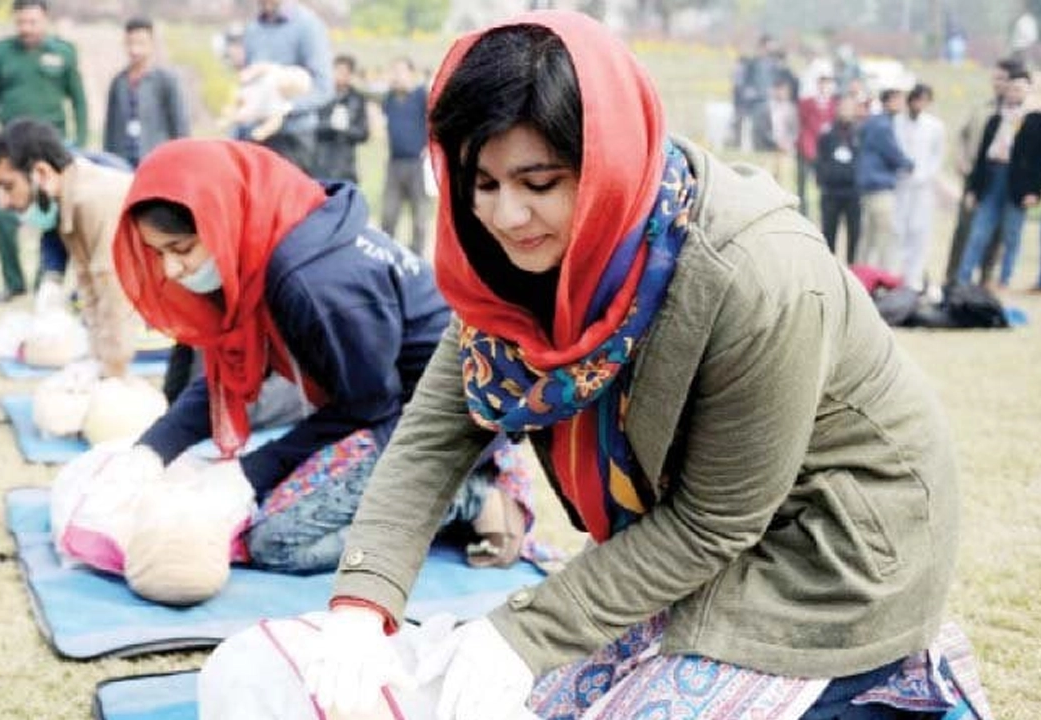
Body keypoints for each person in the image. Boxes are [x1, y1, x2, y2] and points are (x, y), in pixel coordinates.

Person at [300, 12, 986, 720]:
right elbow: (434, 436)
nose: (507, 215)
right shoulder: (498, 267)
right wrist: (363, 600)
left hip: (827, 558)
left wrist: (524, 633)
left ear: (606, 164)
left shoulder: (757, 276)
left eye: (540, 182)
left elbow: (715, 521)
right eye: (484, 182)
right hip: (683, 551)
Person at [106, 139, 534, 574]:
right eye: (158, 254)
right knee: (263, 497)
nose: (170, 270)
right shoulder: (269, 240)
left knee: (277, 540)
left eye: (180, 250)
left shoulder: (313, 283)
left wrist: (252, 470)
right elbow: (228, 373)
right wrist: (151, 451)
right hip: (385, 404)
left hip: (443, 417)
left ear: (225, 220)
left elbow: (368, 404)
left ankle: (473, 497)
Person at [0, 119, 140, 379]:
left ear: (42, 173)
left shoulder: (92, 199)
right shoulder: (66, 201)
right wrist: (96, 358)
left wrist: (113, 371)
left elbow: (113, 293)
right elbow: (89, 286)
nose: (6, 201)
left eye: (8, 186)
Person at [0, 0, 88, 303]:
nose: (27, 28)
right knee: (1, 211)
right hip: (9, 153)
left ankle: (45, 284)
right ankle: (13, 283)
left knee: (52, 217)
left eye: (33, 22)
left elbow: (78, 98)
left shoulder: (63, 53)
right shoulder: (2, 52)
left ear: (45, 20)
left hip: (51, 151)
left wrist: (81, 138)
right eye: (21, 22)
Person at [956, 68, 1041, 290]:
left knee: (1012, 234)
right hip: (993, 178)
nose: (1014, 93)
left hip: (1018, 184)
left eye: (1019, 89)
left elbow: (1037, 160)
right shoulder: (995, 119)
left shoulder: (1034, 122)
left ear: (1028, 91)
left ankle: (1005, 279)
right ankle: (964, 277)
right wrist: (974, 189)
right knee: (979, 232)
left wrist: (1035, 191)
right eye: (1011, 89)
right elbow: (982, 156)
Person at [946, 59, 1019, 289]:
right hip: (975, 176)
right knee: (965, 228)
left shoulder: (1018, 112)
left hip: (1001, 177)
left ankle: (985, 279)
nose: (997, 83)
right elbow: (961, 136)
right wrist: (960, 159)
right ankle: (953, 277)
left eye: (1002, 79)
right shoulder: (981, 108)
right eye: (995, 78)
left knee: (996, 233)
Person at [240, 0, 332, 172]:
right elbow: (249, 80)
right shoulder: (253, 29)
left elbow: (323, 88)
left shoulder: (308, 25)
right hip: (254, 136)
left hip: (292, 139)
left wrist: (284, 108)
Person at [102, 17, 189, 170]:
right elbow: (110, 129)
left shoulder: (165, 80)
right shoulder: (118, 82)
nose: (135, 49)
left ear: (152, 44)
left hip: (157, 161)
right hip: (123, 162)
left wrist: (181, 161)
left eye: (141, 43)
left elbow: (179, 126)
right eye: (130, 43)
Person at [893, 83, 944, 292]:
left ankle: (914, 277)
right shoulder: (896, 122)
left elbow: (936, 156)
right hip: (900, 185)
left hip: (923, 187)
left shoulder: (935, 126)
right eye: (917, 100)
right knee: (898, 231)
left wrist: (925, 176)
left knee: (919, 231)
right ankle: (895, 277)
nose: (920, 104)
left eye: (925, 101)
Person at [855, 88, 913, 274]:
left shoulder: (873, 122)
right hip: (879, 186)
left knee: (868, 237)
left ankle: (861, 275)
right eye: (899, 100)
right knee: (883, 237)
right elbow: (893, 154)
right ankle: (881, 277)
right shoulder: (883, 126)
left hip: (868, 186)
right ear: (888, 102)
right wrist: (909, 164)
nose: (902, 104)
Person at [380, 57, 431, 255]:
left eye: (401, 71)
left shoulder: (421, 96)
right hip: (394, 163)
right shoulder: (389, 99)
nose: (397, 76)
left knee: (419, 215)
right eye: (394, 71)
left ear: (411, 74)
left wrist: (429, 146)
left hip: (416, 163)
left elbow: (435, 120)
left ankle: (417, 255)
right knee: (388, 214)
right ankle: (387, 253)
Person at [815, 95, 863, 263]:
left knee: (855, 234)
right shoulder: (827, 132)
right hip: (831, 192)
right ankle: (829, 270)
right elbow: (820, 158)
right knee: (828, 234)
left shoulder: (860, 132)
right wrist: (823, 179)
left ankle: (853, 270)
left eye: (849, 108)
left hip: (853, 192)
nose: (845, 111)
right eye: (843, 107)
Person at [311, 54, 369, 182]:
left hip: (345, 166)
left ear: (350, 75)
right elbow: (310, 126)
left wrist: (345, 129)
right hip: (320, 162)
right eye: (336, 70)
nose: (339, 75)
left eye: (344, 72)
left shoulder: (357, 99)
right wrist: (330, 125)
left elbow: (363, 133)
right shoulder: (320, 97)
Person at [795, 73, 837, 216]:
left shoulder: (834, 104)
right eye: (822, 83)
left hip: (825, 150)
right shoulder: (807, 103)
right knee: (803, 183)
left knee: (824, 184)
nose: (824, 87)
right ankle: (803, 212)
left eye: (827, 84)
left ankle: (826, 211)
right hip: (807, 147)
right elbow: (803, 123)